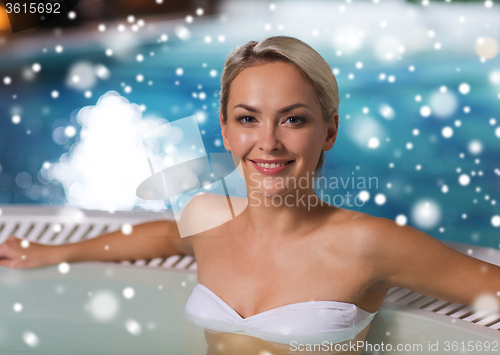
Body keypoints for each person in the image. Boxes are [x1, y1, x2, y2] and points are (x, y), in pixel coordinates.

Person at [1, 36, 499, 355]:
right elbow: (163, 237)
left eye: (293, 118)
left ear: (329, 131)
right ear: (224, 131)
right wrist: (53, 251)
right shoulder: (207, 216)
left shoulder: (366, 243)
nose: (268, 142)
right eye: (247, 118)